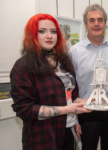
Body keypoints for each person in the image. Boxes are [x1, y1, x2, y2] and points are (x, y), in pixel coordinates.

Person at [10, 14, 91, 150]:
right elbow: (25, 109)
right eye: (42, 31)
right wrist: (66, 110)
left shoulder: (64, 62)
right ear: (32, 35)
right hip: (43, 137)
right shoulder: (23, 66)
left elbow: (70, 97)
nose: (49, 36)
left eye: (53, 31)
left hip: (68, 132)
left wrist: (84, 103)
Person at [69, 3, 108, 150]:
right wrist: (74, 118)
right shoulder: (75, 52)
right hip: (87, 113)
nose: (96, 24)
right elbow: (69, 87)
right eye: (92, 20)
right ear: (85, 24)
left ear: (105, 23)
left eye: (100, 20)